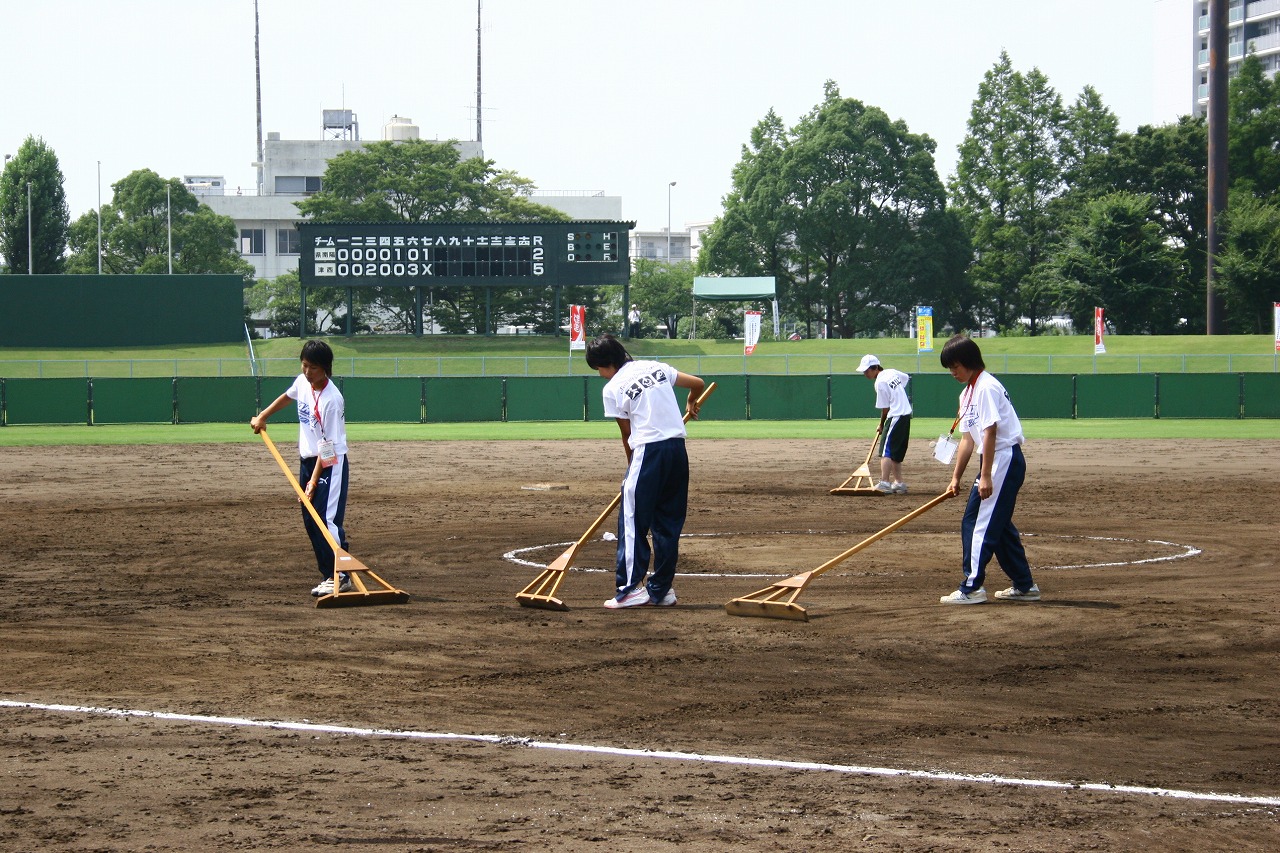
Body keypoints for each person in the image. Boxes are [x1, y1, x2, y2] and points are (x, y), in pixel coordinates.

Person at [585, 334, 706, 609]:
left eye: (599, 370)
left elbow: (627, 434)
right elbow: (697, 384)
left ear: (606, 364)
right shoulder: (656, 367)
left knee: (632, 520)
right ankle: (661, 590)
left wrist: (632, 470)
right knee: (667, 524)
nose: (601, 375)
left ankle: (629, 589)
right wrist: (691, 401)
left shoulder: (613, 388)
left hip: (648, 452)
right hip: (677, 451)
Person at [937, 334, 1039, 605]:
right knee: (999, 525)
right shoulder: (967, 392)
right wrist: (955, 478)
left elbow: (990, 431)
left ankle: (971, 587)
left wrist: (985, 476)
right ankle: (1025, 586)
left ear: (968, 362)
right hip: (995, 461)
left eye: (955, 367)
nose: (952, 373)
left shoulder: (986, 387)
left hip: (1003, 459)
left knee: (977, 522)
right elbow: (968, 439)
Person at [250, 340, 353, 597]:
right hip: (308, 460)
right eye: (304, 366)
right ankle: (330, 574)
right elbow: (288, 395)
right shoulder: (302, 383)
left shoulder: (332, 400)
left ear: (326, 369)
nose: (307, 372)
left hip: (330, 463)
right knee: (309, 520)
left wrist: (312, 482)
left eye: (313, 368)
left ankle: (340, 575)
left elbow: (328, 448)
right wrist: (264, 415)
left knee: (325, 520)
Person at [856, 354, 912, 494]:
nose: (865, 374)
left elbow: (885, 408)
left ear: (875, 368)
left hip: (895, 415)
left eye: (867, 370)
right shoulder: (891, 372)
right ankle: (898, 483)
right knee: (895, 453)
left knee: (886, 451)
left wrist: (881, 424)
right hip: (905, 415)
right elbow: (905, 378)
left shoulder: (880, 383)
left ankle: (885, 483)